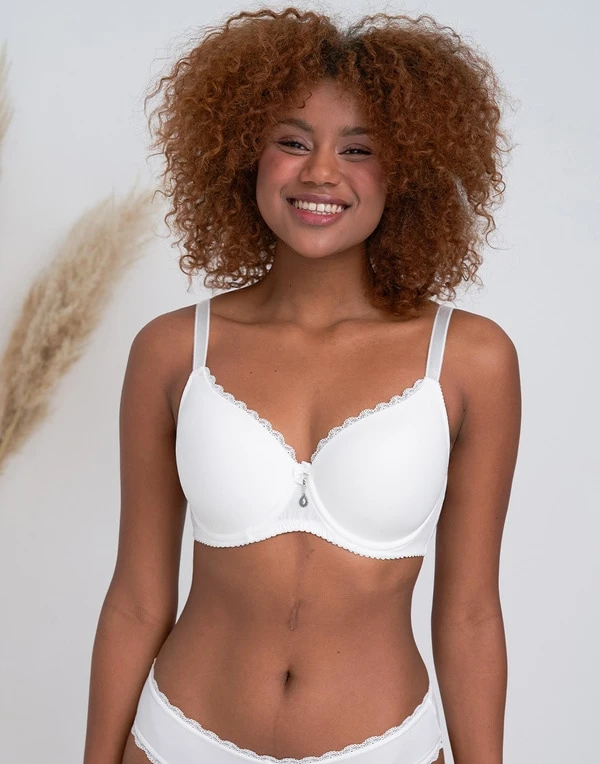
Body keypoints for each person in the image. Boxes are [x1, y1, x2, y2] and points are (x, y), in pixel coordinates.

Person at [83, 7, 521, 764]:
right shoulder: (173, 350)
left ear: (408, 171)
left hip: (385, 746)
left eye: (359, 149)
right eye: (292, 142)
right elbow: (136, 599)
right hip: (177, 739)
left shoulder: (469, 359)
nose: (320, 172)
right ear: (242, 154)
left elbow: (471, 615)